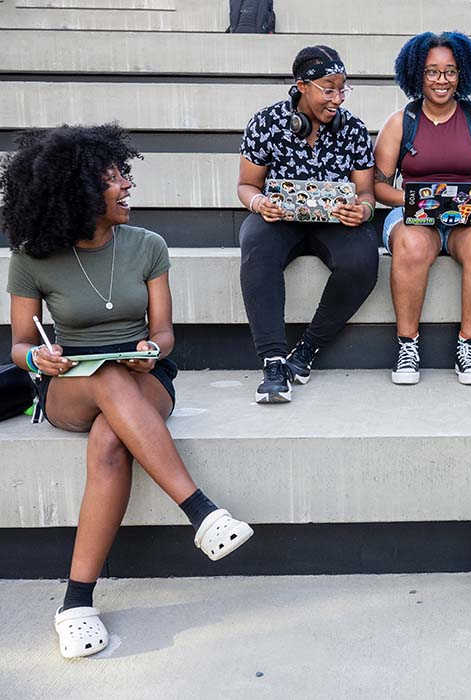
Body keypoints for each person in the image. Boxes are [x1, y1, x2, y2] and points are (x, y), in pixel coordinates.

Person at [1, 124, 254, 659]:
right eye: (113, 181)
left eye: (124, 176)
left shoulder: (148, 246)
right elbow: (21, 346)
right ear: (77, 195)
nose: (127, 188)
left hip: (144, 377)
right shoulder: (32, 258)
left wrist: (150, 350)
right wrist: (39, 357)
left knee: (110, 439)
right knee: (103, 376)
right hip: (69, 381)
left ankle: (75, 603)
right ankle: (202, 512)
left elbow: (165, 335)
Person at [238, 45, 378, 403]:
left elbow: (366, 193)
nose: (337, 99)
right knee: (256, 247)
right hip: (279, 219)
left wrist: (362, 211)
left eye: (343, 89)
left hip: (333, 222)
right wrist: (259, 203)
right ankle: (272, 362)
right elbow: (246, 185)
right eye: (328, 89)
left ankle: (304, 352)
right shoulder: (267, 122)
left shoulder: (354, 130)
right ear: (302, 86)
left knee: (363, 261)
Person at [373, 31, 471, 385]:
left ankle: (468, 347)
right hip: (414, 213)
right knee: (412, 243)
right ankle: (408, 346)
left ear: (462, 73)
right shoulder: (400, 121)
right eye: (432, 71)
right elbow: (376, 185)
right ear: (417, 74)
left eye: (450, 71)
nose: (441, 80)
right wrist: (415, 202)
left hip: (467, 216)